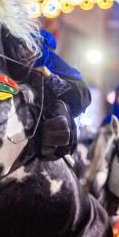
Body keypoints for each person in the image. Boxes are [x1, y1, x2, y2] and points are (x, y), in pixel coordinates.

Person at [34, 30, 92, 160]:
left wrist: (49, 77)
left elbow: (79, 99)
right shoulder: (16, 67)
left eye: (33, 47)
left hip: (49, 147)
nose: (27, 53)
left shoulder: (60, 69)